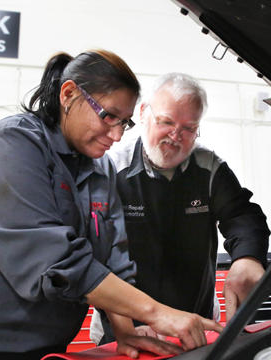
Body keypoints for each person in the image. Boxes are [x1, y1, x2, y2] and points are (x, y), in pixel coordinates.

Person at [0, 53, 222, 360]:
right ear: (68, 95)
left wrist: (126, 332)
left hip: (48, 347)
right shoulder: (11, 144)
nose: (118, 134)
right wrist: (157, 313)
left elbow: (113, 259)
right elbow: (54, 260)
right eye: (109, 116)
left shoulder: (100, 169)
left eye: (125, 122)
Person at [90, 72, 270, 345]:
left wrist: (248, 258)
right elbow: (97, 253)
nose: (175, 136)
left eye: (189, 128)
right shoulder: (111, 168)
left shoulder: (209, 167)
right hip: (125, 328)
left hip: (195, 325)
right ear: (142, 114)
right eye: (166, 122)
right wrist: (126, 325)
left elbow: (242, 214)